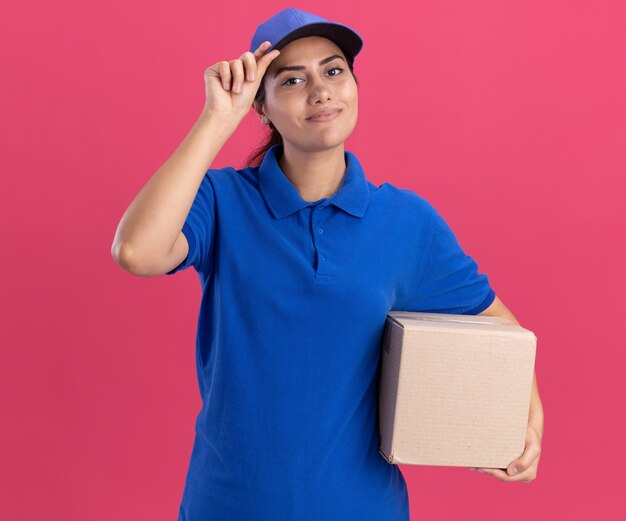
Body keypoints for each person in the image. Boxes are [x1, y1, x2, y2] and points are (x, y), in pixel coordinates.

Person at [111, 7, 543, 521]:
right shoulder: (220, 200)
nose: (320, 91)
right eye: (292, 80)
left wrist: (528, 426)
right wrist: (216, 119)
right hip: (227, 504)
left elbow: (497, 328)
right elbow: (136, 252)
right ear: (261, 107)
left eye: (334, 70)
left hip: (362, 507)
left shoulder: (405, 221)